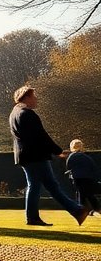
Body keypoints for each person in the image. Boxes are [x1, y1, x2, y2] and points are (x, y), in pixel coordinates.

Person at [9, 86, 89, 227]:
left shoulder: (14, 113)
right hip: (35, 156)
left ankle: (77, 211)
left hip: (25, 156)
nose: (36, 99)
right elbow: (42, 136)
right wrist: (57, 150)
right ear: (26, 97)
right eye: (34, 96)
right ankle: (74, 211)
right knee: (40, 186)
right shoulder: (27, 114)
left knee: (48, 186)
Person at [66, 139, 100, 216]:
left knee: (80, 194)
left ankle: (82, 210)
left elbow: (68, 166)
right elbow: (93, 167)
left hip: (77, 178)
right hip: (88, 178)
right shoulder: (86, 157)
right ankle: (97, 209)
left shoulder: (71, 156)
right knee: (89, 194)